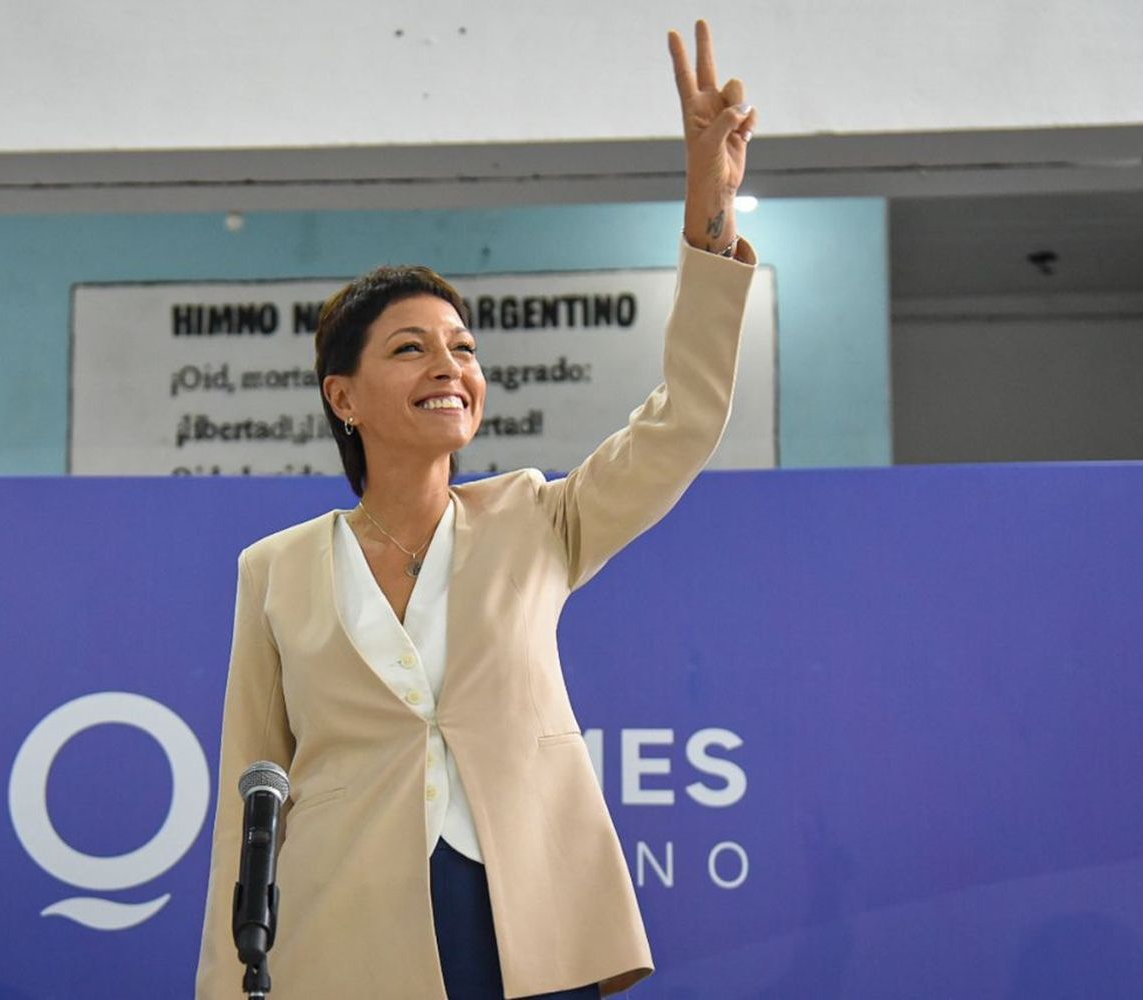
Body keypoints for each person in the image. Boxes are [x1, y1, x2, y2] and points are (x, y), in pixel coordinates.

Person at [197, 20, 761, 1000]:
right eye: (410, 348)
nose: (450, 366)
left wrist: (709, 216)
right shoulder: (275, 569)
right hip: (346, 935)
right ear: (344, 396)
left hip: (529, 920)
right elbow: (250, 801)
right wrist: (224, 982)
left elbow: (686, 424)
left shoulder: (535, 520)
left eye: (462, 347)